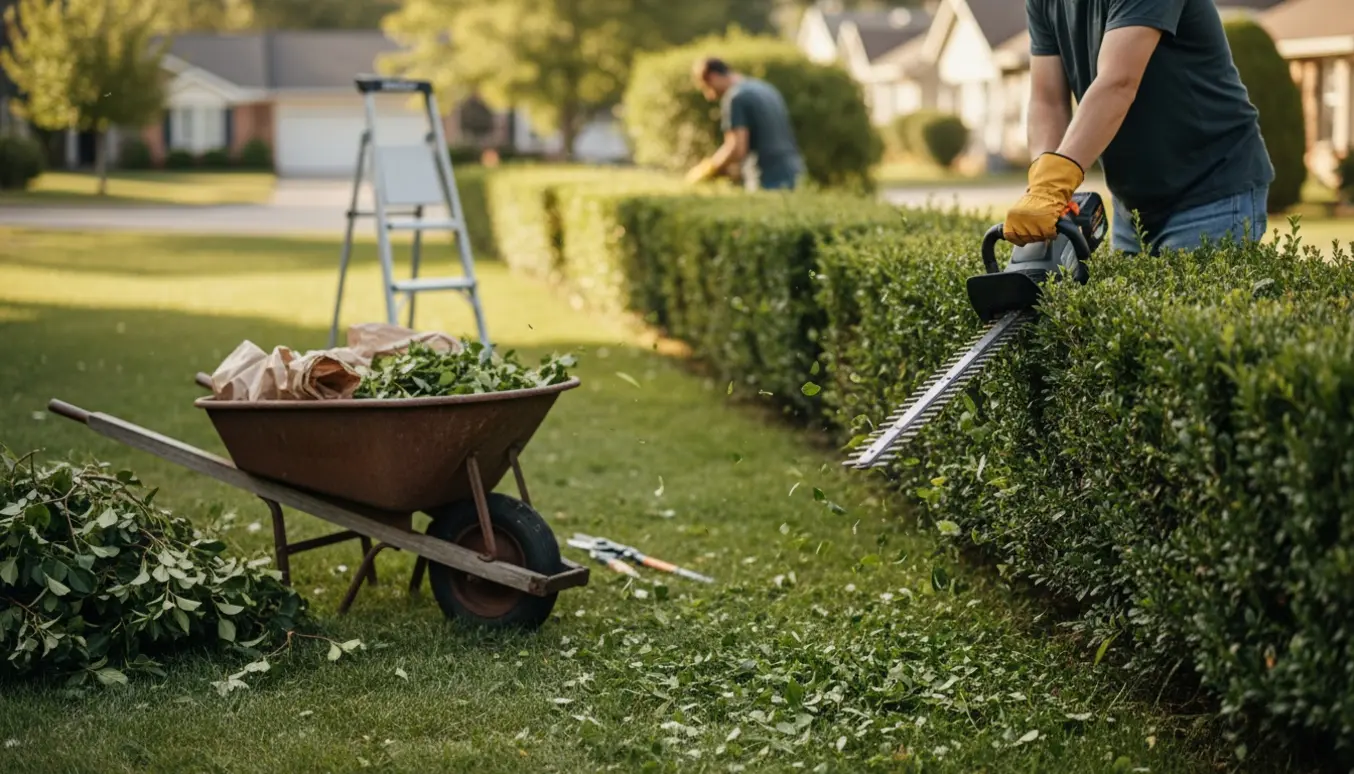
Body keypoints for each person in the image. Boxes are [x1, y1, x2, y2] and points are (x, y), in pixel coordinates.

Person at [1005, 0, 1275, 255]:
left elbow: (1118, 83)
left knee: (1189, 304)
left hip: (1212, 189)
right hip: (1132, 211)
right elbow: (1047, 102)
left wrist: (1055, 182)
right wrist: (1044, 189)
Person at [687, 57, 805, 191]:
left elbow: (737, 149)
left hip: (765, 178)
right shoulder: (766, 88)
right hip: (793, 170)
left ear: (713, 77)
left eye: (707, 87)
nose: (709, 96)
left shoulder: (736, 97)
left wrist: (710, 169)